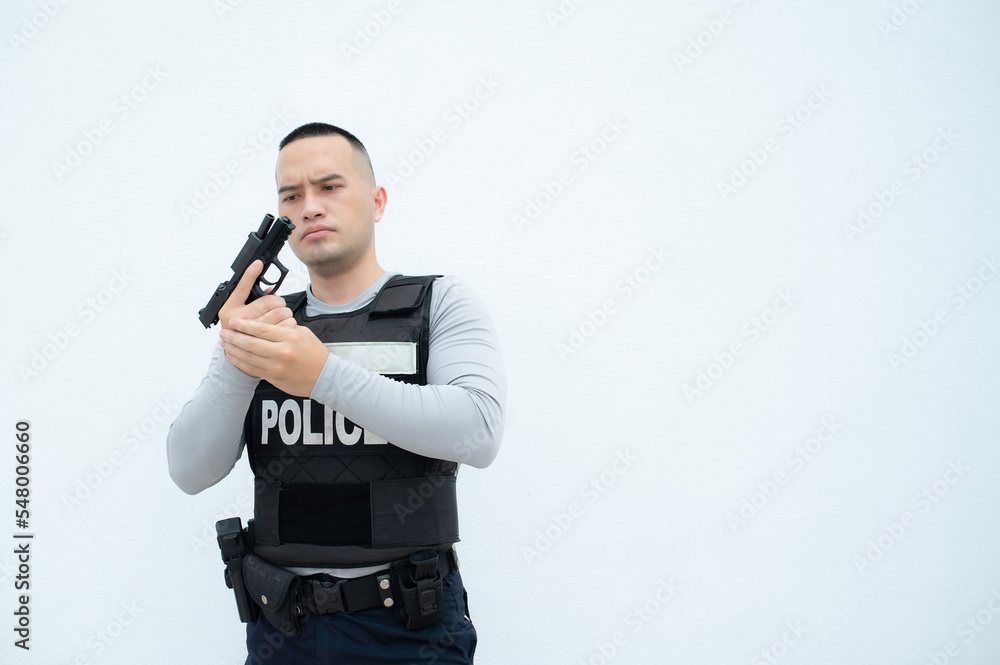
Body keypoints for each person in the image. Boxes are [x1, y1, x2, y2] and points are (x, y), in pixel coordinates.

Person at [166, 122, 506, 664]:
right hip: (283, 627)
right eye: (291, 196)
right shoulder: (262, 324)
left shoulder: (440, 301)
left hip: (410, 626)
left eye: (329, 187)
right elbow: (188, 470)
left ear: (376, 201)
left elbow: (478, 430)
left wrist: (320, 374)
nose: (310, 207)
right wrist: (237, 356)